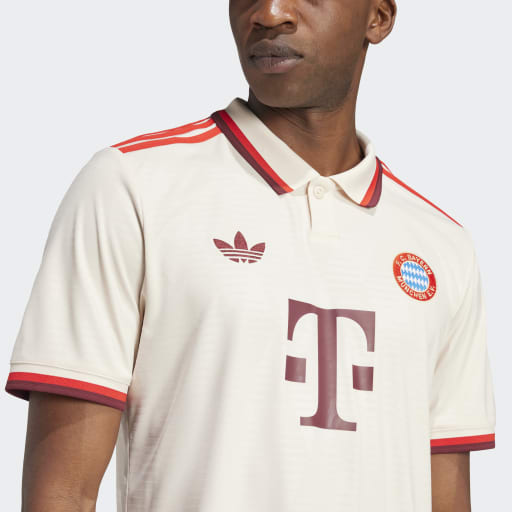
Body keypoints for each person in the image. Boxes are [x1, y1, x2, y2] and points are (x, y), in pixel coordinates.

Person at [5, 1, 496, 511]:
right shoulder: (132, 186)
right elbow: (63, 494)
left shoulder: (442, 244)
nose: (270, 13)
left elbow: (446, 496)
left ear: (378, 18)